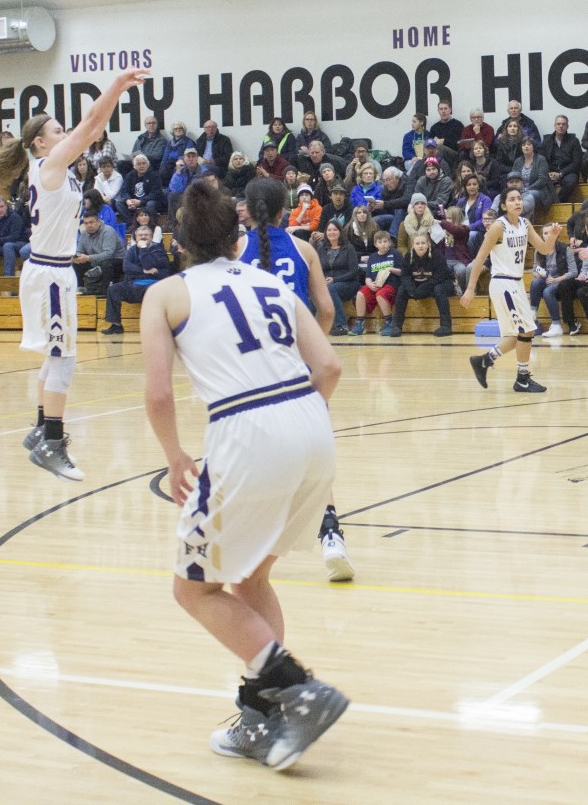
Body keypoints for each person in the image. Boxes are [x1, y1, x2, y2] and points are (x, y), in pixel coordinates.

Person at [140, 180, 348, 770]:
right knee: (251, 581)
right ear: (235, 236)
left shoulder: (166, 293)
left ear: (178, 239)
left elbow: (158, 394)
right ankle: (262, 716)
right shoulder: (267, 280)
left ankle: (300, 689)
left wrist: (175, 454)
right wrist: (300, 422)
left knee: (194, 588)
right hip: (311, 426)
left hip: (247, 431)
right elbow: (328, 365)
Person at [0, 65, 148, 482]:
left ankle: (43, 427)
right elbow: (92, 125)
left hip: (50, 271)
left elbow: (92, 130)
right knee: (64, 358)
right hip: (50, 275)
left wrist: (114, 95)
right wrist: (116, 86)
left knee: (54, 354)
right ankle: (53, 444)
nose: (66, 135)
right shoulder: (50, 163)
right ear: (40, 142)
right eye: (58, 131)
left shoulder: (51, 168)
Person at [238, 178, 353, 583]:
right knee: (313, 455)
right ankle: (331, 536)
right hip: (298, 365)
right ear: (285, 211)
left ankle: (249, 540)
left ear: (247, 211)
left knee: (253, 457)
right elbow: (326, 310)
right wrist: (312, 345)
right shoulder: (304, 250)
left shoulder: (235, 252)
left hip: (251, 370)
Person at [461, 187, 562, 393]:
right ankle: (522, 378)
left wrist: (552, 236)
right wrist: (470, 288)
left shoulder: (525, 224)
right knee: (526, 330)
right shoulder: (498, 227)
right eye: (512, 199)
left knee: (520, 334)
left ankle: (485, 360)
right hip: (502, 283)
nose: (517, 202)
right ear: (504, 206)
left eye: (519, 199)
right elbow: (480, 258)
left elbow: (543, 249)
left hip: (515, 283)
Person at [101, 224, 169, 335]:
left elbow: (148, 264)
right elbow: (126, 267)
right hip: (133, 284)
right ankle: (116, 325)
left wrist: (143, 249)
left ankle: (155, 327)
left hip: (152, 286)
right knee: (113, 289)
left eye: (146, 235)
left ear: (151, 237)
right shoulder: (132, 250)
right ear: (135, 238)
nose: (143, 237)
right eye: (140, 235)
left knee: (151, 291)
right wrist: (143, 271)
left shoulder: (158, 250)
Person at [389, 232, 455, 337]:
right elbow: (404, 275)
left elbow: (439, 277)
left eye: (423, 243)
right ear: (413, 245)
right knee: (402, 290)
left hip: (441, 283)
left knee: (439, 289)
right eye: (417, 243)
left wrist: (421, 289)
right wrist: (412, 290)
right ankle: (396, 325)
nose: (420, 246)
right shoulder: (408, 256)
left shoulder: (437, 255)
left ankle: (446, 326)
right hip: (419, 285)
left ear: (428, 244)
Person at [348, 229, 403, 336]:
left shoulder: (396, 254)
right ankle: (360, 323)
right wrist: (369, 284)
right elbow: (368, 277)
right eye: (380, 242)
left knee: (380, 294)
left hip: (391, 284)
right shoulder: (373, 257)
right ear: (375, 244)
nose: (383, 244)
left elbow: (403, 272)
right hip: (375, 284)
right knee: (360, 294)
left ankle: (389, 322)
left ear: (389, 242)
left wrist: (391, 269)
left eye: (385, 241)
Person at [529, 225, 577, 337]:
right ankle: (533, 316)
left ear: (556, 234)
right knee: (535, 283)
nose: (548, 235)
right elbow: (534, 270)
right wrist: (538, 274)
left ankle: (556, 325)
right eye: (545, 233)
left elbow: (573, 272)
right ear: (542, 236)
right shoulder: (539, 250)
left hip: (561, 281)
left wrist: (556, 279)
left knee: (547, 292)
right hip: (546, 280)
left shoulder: (565, 249)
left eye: (550, 232)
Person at [316, 220, 359, 335]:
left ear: (340, 232)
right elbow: (318, 269)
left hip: (348, 283)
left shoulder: (348, 248)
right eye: (329, 230)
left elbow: (354, 271)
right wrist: (322, 280)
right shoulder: (321, 248)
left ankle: (341, 325)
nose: (332, 232)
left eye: (335, 229)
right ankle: (314, 325)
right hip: (329, 283)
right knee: (314, 291)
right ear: (325, 233)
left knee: (331, 289)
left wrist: (335, 280)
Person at [73, 210, 125, 292]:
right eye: (86, 223)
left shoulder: (108, 231)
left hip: (116, 262)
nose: (89, 225)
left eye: (91, 222)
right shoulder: (84, 234)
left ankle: (104, 291)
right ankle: (80, 287)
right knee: (76, 262)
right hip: (96, 261)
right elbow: (79, 251)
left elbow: (108, 254)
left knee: (106, 263)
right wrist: (76, 257)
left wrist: (88, 258)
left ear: (99, 222)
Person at [540, 114, 582, 202]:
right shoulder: (547, 141)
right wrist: (549, 173)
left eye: (563, 124)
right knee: (541, 182)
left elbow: (577, 162)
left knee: (570, 182)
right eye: (558, 124)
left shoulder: (574, 140)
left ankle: (558, 203)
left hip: (568, 172)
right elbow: (542, 160)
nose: (561, 126)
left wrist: (561, 174)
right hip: (551, 172)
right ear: (554, 126)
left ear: (567, 126)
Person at [115, 152, 165, 222]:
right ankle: (130, 224)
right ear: (134, 166)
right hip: (134, 202)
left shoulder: (154, 175)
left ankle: (150, 224)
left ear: (148, 165)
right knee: (119, 203)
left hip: (149, 201)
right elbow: (124, 191)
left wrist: (140, 201)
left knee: (150, 204)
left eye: (144, 163)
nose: (141, 166)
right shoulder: (129, 176)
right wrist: (128, 200)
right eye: (139, 164)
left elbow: (156, 193)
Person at [511, 136, 555, 215]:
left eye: (529, 144)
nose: (526, 146)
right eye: (524, 145)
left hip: (539, 191)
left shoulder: (541, 159)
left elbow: (542, 180)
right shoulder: (517, 161)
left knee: (529, 195)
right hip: (520, 191)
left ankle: (518, 215)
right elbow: (512, 177)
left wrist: (527, 189)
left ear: (533, 147)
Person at [167, 146, 203, 229]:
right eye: (188, 156)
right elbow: (174, 188)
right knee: (173, 195)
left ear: (197, 158)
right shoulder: (180, 171)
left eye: (193, 156)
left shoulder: (203, 170)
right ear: (184, 159)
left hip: (197, 197)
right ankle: (173, 225)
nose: (191, 159)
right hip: (183, 197)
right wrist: (178, 171)